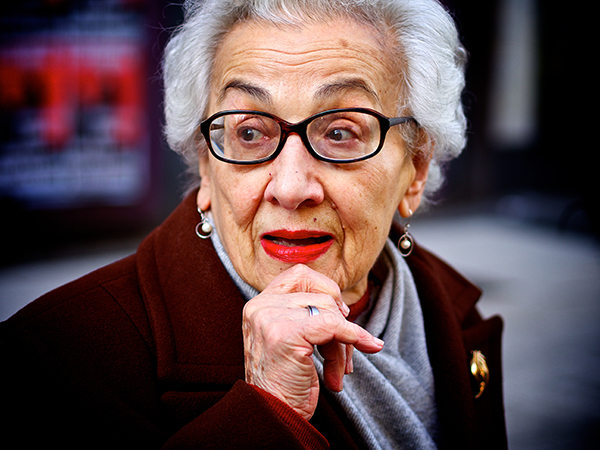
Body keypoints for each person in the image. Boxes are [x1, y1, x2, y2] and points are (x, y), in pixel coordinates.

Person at [0, 0, 507, 448]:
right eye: (248, 132)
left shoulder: (450, 312)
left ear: (415, 169)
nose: (289, 187)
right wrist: (267, 415)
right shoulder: (54, 359)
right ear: (204, 163)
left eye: (340, 131)